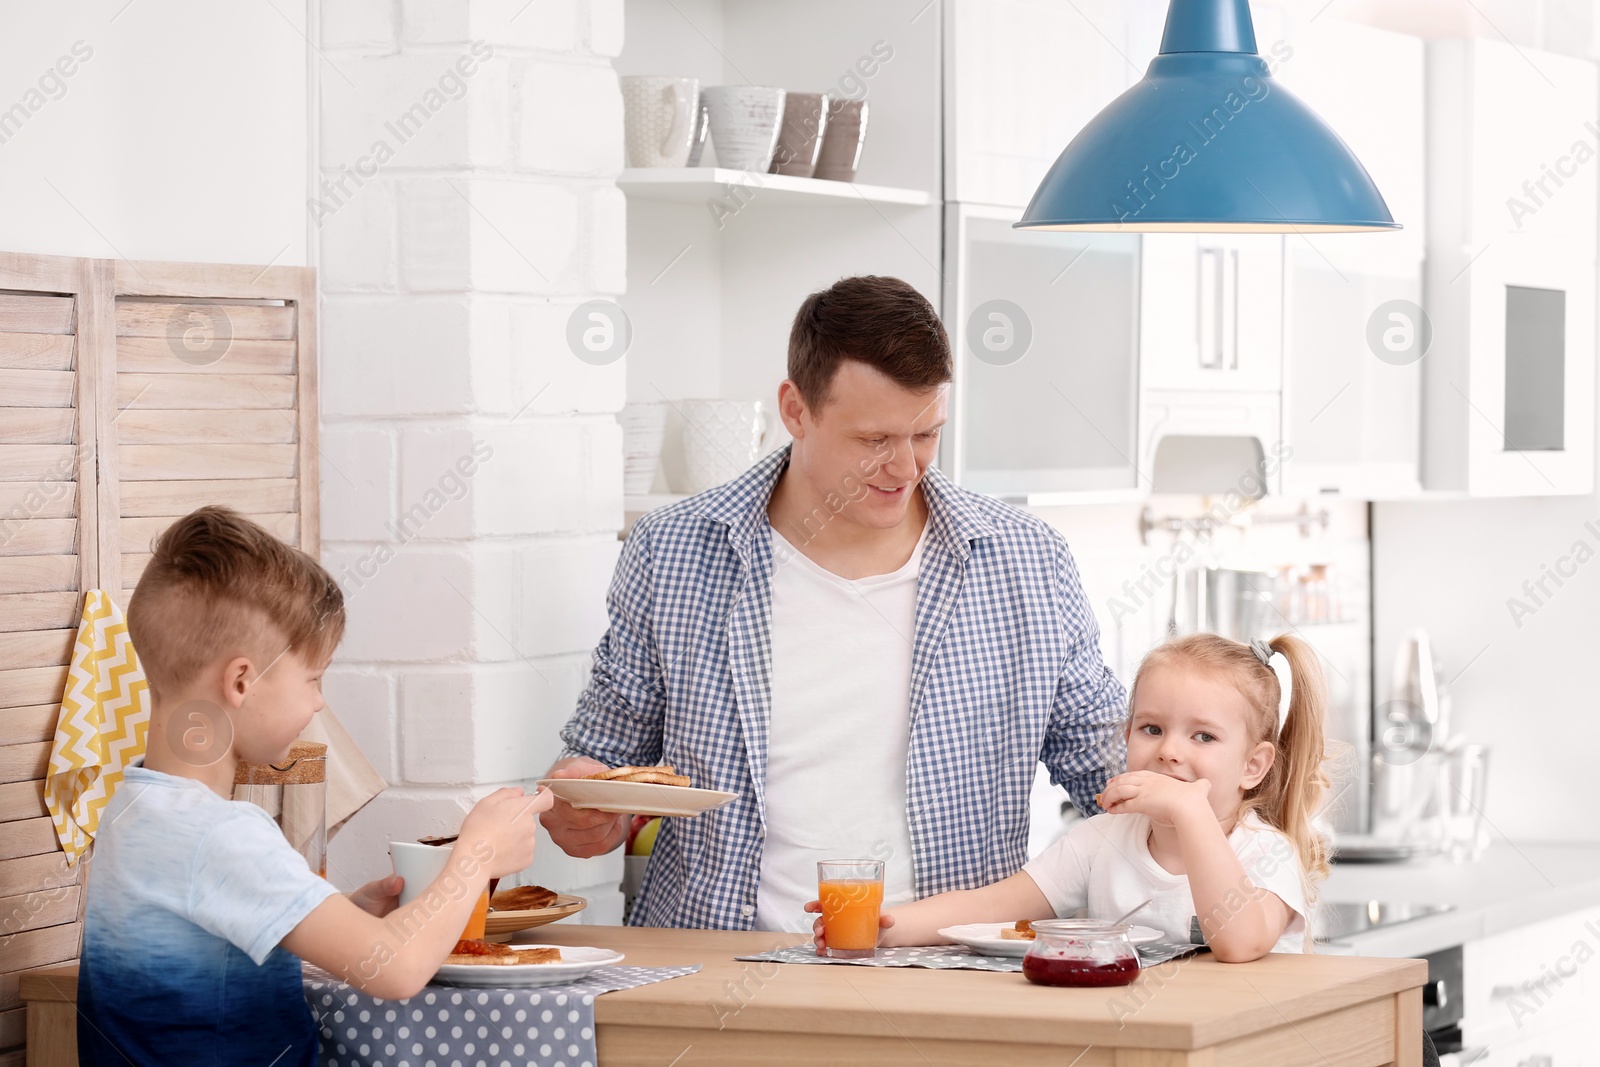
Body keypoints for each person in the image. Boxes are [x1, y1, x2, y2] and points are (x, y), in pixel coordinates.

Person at [543, 275, 1127, 931]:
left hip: (951, 974)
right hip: (715, 976)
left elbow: (1114, 777)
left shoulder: (1025, 562)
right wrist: (583, 807)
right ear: (795, 409)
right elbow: (599, 772)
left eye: (926, 435)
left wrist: (1222, 801)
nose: (905, 468)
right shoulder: (673, 552)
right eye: (874, 440)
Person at [78, 507, 552, 1066]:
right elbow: (393, 968)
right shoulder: (222, 833)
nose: (319, 702)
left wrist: (339, 914)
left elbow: (215, 939)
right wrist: (476, 856)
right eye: (313, 679)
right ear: (241, 682)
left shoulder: (133, 808)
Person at [812, 633, 1329, 962]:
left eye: (1203, 737)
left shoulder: (1265, 854)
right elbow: (992, 905)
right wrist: (883, 927)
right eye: (1151, 728)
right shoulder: (1101, 840)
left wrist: (1190, 812)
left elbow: (1240, 944)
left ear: (1252, 766)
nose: (1169, 751)